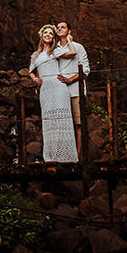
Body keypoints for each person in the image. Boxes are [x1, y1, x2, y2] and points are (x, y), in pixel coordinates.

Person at [29, 24, 78, 163]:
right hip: (45, 90)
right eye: (46, 33)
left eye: (51, 33)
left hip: (59, 88)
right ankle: (51, 156)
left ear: (53, 38)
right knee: (49, 121)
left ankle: (67, 156)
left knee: (62, 120)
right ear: (41, 36)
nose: (48, 35)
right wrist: (35, 79)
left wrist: (69, 40)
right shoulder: (35, 55)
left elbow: (73, 52)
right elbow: (31, 71)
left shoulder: (55, 51)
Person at [53, 21, 89, 158]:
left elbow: (85, 70)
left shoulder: (78, 47)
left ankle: (78, 156)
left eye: (63, 27)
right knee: (62, 125)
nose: (59, 29)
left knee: (78, 124)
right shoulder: (54, 49)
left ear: (69, 31)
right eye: (58, 27)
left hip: (75, 91)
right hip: (59, 91)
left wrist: (70, 79)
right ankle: (65, 155)